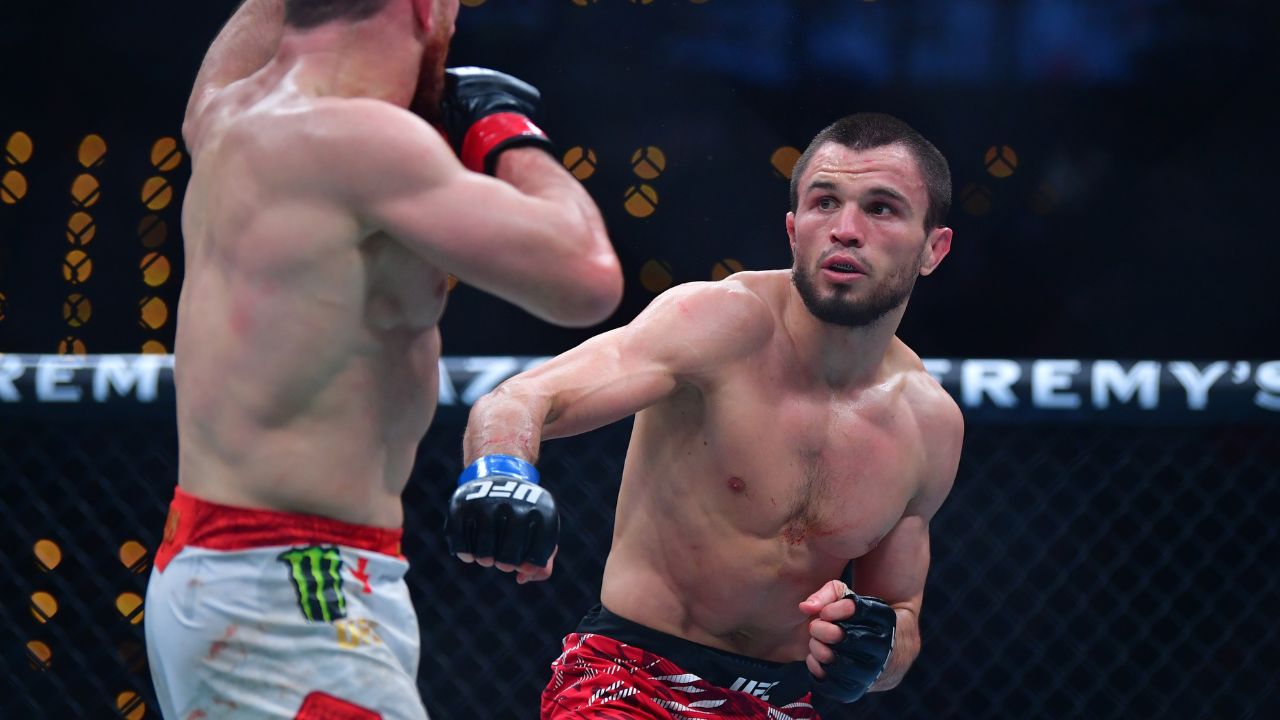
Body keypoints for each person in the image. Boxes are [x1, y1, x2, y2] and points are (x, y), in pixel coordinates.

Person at [143, 0, 623, 717]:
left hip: (229, 571)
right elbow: (587, 277)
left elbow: (215, 84)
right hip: (291, 586)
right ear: (425, 10)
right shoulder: (362, 139)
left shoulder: (229, 113)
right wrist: (503, 131)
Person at [450, 112, 964, 719]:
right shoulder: (719, 324)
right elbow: (523, 398)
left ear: (934, 248)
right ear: (794, 230)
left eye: (882, 208)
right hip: (628, 684)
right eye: (826, 202)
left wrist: (870, 649)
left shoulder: (930, 425)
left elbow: (899, 616)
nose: (846, 230)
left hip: (784, 705)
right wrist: (499, 468)